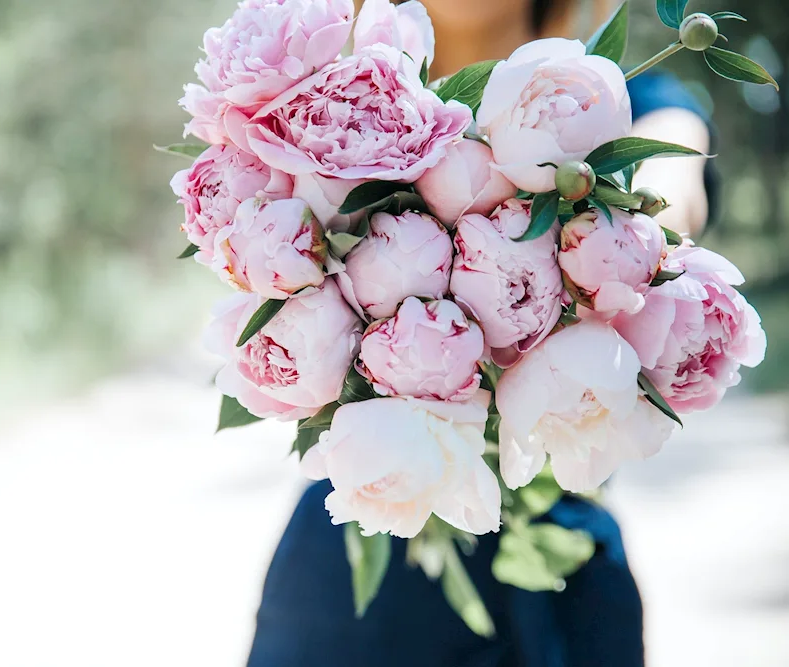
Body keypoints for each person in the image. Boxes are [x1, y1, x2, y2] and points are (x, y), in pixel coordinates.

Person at [246, 1, 717, 666]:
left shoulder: (610, 94)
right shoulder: (330, 100)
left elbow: (676, 180)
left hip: (561, 574)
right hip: (358, 555)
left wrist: (621, 217)